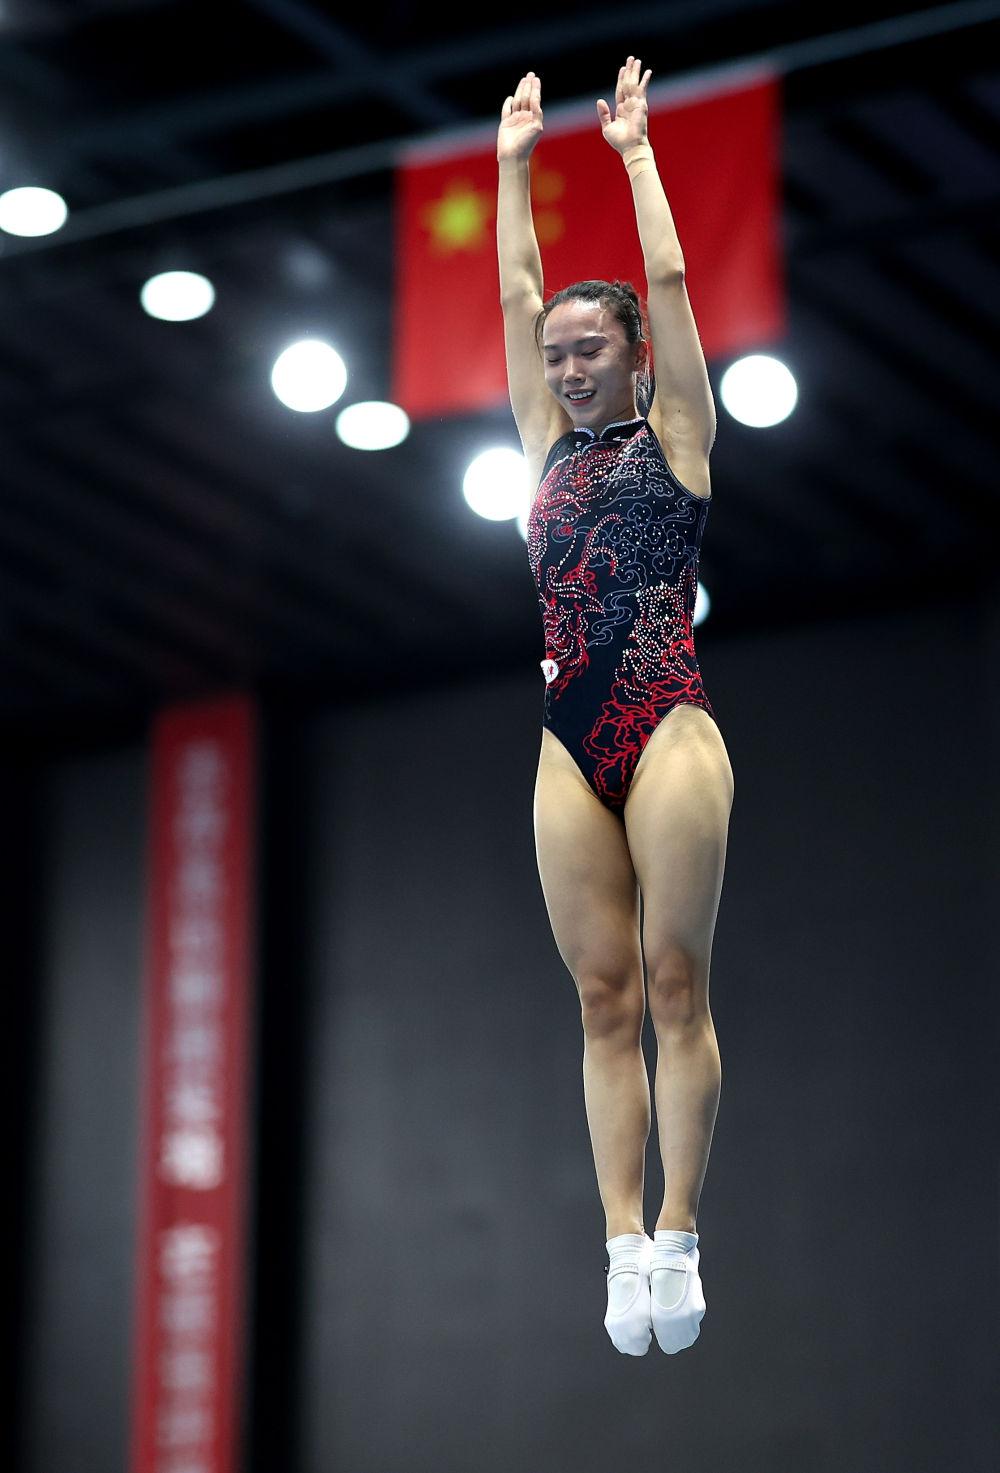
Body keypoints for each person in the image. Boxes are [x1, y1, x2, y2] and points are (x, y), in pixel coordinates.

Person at [497, 58, 735, 1356]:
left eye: (591, 349)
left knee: (673, 980)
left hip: (668, 724)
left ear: (637, 355)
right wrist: (514, 165)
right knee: (602, 997)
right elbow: (516, 286)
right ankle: (623, 1243)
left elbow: (678, 281)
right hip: (567, 740)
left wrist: (635, 153)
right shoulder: (542, 444)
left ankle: (683, 1228)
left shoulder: (676, 435)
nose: (569, 366)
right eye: (556, 356)